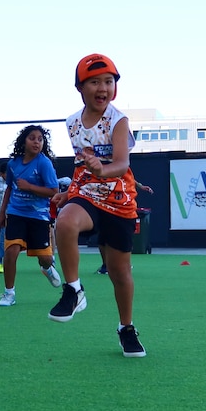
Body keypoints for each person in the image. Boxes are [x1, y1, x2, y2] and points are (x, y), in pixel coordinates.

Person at [49, 53, 146, 358]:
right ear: (80, 87)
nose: (103, 88)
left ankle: (126, 328)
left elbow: (120, 163)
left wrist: (102, 169)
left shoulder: (118, 120)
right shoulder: (73, 123)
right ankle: (74, 289)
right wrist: (70, 193)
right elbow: (81, 166)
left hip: (119, 201)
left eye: (109, 81)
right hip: (89, 195)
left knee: (120, 274)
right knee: (64, 221)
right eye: (94, 82)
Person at [0, 125, 61, 307]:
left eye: (40, 139)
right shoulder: (13, 164)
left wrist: (30, 187)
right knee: (11, 252)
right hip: (16, 213)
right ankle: (9, 294)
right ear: (23, 141)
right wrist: (2, 212)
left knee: (45, 258)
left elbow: (53, 191)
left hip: (38, 216)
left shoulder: (44, 163)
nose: (36, 142)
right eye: (32, 138)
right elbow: (9, 188)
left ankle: (46, 268)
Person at [95, 180, 153, 275]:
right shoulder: (100, 170)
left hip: (123, 206)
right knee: (103, 237)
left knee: (124, 236)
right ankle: (105, 265)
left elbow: (127, 176)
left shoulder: (120, 169)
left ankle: (124, 264)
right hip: (105, 204)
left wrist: (140, 186)